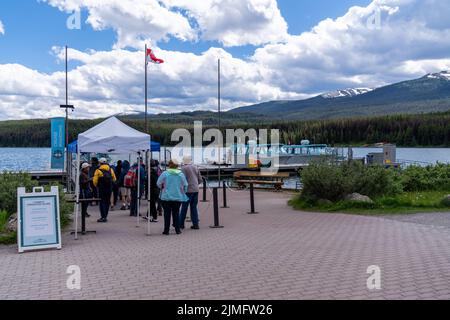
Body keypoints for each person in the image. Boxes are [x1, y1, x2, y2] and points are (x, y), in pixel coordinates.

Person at [157, 160, 188, 235]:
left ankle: (166, 230)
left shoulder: (165, 173)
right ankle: (177, 230)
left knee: (167, 214)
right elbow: (185, 185)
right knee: (176, 213)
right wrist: (184, 191)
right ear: (177, 165)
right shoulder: (181, 174)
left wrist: (162, 187)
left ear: (169, 165)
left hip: (166, 197)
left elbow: (158, 183)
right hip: (177, 197)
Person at [179, 156, 202, 230]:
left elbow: (182, 180)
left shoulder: (183, 168)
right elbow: (200, 179)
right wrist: (195, 184)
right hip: (196, 189)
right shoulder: (195, 167)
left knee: (184, 207)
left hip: (187, 190)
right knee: (194, 207)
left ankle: (181, 224)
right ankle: (195, 224)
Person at [93, 158, 117, 223]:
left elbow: (95, 181)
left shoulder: (98, 170)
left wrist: (96, 186)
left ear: (100, 163)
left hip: (102, 189)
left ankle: (102, 217)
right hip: (109, 189)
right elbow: (114, 179)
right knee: (107, 202)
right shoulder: (110, 169)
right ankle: (105, 216)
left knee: (102, 202)